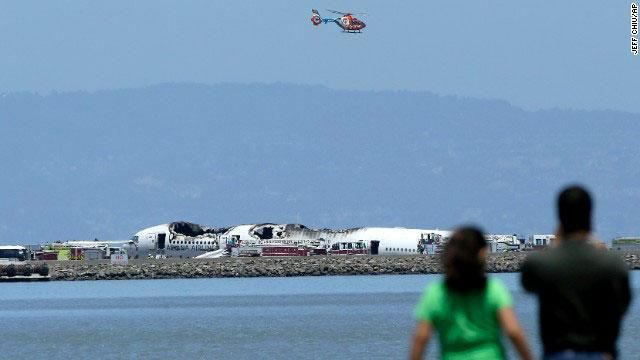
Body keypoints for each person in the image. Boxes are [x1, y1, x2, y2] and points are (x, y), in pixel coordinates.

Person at [521, 185, 632, 359]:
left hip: (557, 353)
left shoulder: (542, 263)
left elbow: (527, 284)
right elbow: (622, 308)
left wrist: (555, 243)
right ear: (590, 215)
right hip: (600, 353)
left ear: (559, 217)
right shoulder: (613, 264)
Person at [410, 226, 533, 360]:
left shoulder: (436, 293)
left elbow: (421, 339)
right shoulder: (493, 290)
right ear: (481, 255)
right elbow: (513, 331)